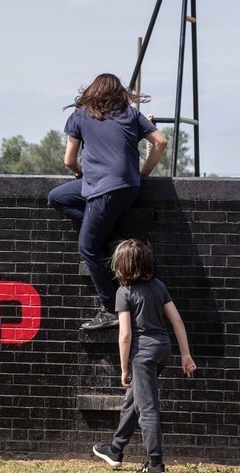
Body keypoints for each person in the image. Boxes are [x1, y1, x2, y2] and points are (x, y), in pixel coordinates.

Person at [48, 74, 168, 330]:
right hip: (127, 187)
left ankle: (109, 308)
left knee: (88, 247)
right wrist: (143, 172)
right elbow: (161, 141)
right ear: (119, 93)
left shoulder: (80, 114)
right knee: (57, 197)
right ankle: (107, 230)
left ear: (91, 91)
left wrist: (82, 171)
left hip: (102, 188)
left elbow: (69, 160)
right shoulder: (131, 114)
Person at [91, 240, 196, 473]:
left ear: (121, 265)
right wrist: (185, 354)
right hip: (163, 349)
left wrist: (123, 368)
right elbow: (177, 320)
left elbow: (125, 335)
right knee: (134, 399)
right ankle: (115, 450)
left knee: (147, 408)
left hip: (143, 355)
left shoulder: (124, 292)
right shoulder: (158, 285)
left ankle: (156, 464)